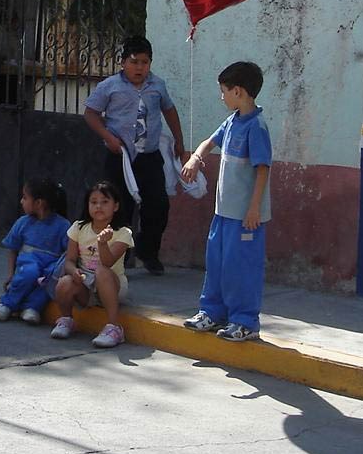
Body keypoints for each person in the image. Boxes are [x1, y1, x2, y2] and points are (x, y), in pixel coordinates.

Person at [180, 61, 272, 342]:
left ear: (239, 92)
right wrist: (196, 157)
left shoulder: (257, 126)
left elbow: (262, 169)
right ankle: (211, 312)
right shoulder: (232, 120)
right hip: (224, 213)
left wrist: (254, 208)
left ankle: (245, 321)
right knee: (217, 262)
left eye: (224, 91)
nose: (221, 96)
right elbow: (210, 141)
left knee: (241, 267)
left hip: (245, 216)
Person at [83, 35, 185, 274]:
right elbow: (90, 113)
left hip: (149, 155)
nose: (139, 67)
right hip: (121, 156)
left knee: (158, 204)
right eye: (134, 61)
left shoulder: (157, 85)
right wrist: (108, 138)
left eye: (145, 62)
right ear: (122, 62)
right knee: (120, 208)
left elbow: (169, 110)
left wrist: (179, 141)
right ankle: (119, 257)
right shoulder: (110, 86)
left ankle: (148, 252)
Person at [49, 181, 134, 349]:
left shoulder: (123, 233)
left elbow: (108, 263)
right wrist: (74, 272)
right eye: (93, 202)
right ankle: (66, 320)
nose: (98, 206)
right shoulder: (78, 228)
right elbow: (70, 260)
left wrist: (102, 243)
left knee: (102, 271)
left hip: (111, 284)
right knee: (64, 282)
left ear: (115, 206)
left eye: (104, 202)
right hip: (85, 284)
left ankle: (114, 328)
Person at [0, 178, 70, 324]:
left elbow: (69, 252)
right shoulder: (23, 223)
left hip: (49, 267)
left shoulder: (63, 226)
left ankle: (32, 307)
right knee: (30, 272)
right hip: (28, 263)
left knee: (50, 278)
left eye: (25, 197)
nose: (21, 201)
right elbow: (12, 249)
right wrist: (10, 274)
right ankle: (8, 304)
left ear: (39, 203)